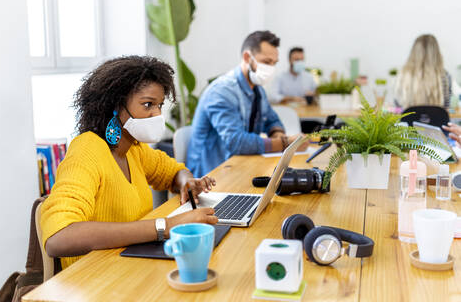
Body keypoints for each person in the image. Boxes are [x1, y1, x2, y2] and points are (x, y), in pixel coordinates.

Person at [40, 56, 218, 269]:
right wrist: (167, 226)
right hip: (94, 277)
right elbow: (59, 238)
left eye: (160, 105)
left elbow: (172, 171)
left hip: (131, 264)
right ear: (116, 105)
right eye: (147, 104)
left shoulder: (133, 148)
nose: (157, 114)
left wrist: (187, 181)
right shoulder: (86, 150)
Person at [186, 31, 308, 177]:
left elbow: (272, 119)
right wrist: (285, 143)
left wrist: (279, 136)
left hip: (239, 167)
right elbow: (237, 142)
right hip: (210, 177)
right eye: (266, 62)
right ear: (247, 57)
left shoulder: (258, 90)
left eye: (274, 63)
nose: (270, 68)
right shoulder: (222, 91)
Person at [394, 34, 452, 109]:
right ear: (436, 53)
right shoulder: (444, 75)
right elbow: (446, 105)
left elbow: (398, 104)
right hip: (437, 120)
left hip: (408, 120)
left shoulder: (403, 75)